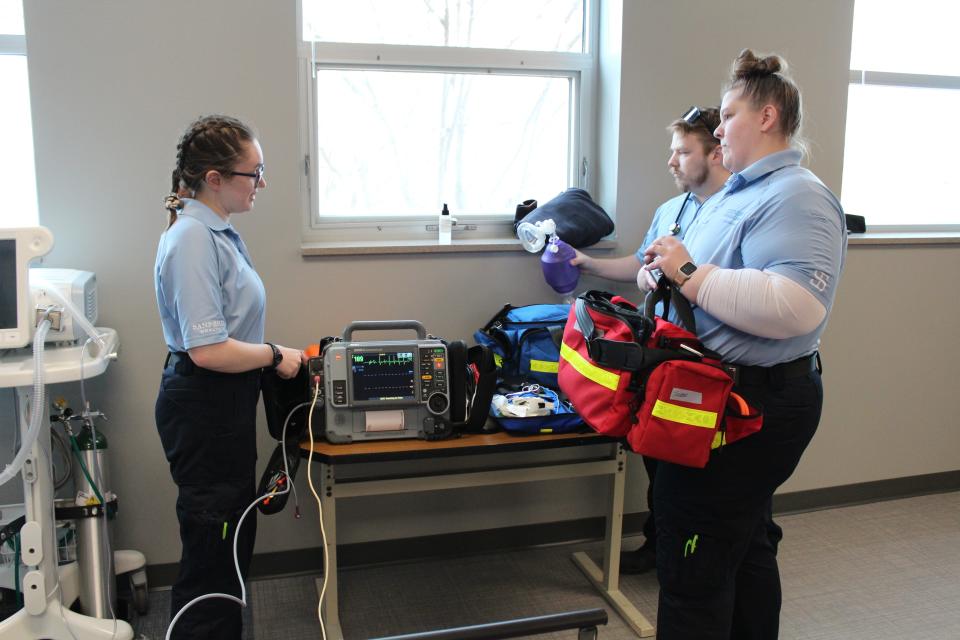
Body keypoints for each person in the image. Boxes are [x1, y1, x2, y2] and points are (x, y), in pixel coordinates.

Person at [641, 50, 846, 638]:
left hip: (753, 403)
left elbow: (793, 306)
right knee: (745, 544)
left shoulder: (797, 197)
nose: (717, 126)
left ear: (767, 117)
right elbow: (699, 272)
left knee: (692, 564)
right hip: (719, 392)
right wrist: (665, 271)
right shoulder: (737, 194)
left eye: (728, 115)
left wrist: (687, 275)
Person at [154, 115, 305, 639]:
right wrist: (273, 355)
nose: (261, 183)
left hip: (222, 405)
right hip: (206, 406)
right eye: (253, 173)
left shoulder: (214, 232)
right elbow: (208, 350)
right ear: (213, 178)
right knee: (213, 553)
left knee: (228, 543)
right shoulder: (193, 239)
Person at [571, 106, 730, 575]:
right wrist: (588, 264)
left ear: (716, 152)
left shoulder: (735, 212)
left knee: (708, 468)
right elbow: (640, 263)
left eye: (683, 152)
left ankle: (707, 555)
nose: (672, 162)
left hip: (710, 358)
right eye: (672, 151)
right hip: (663, 353)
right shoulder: (672, 209)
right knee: (659, 452)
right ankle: (661, 545)